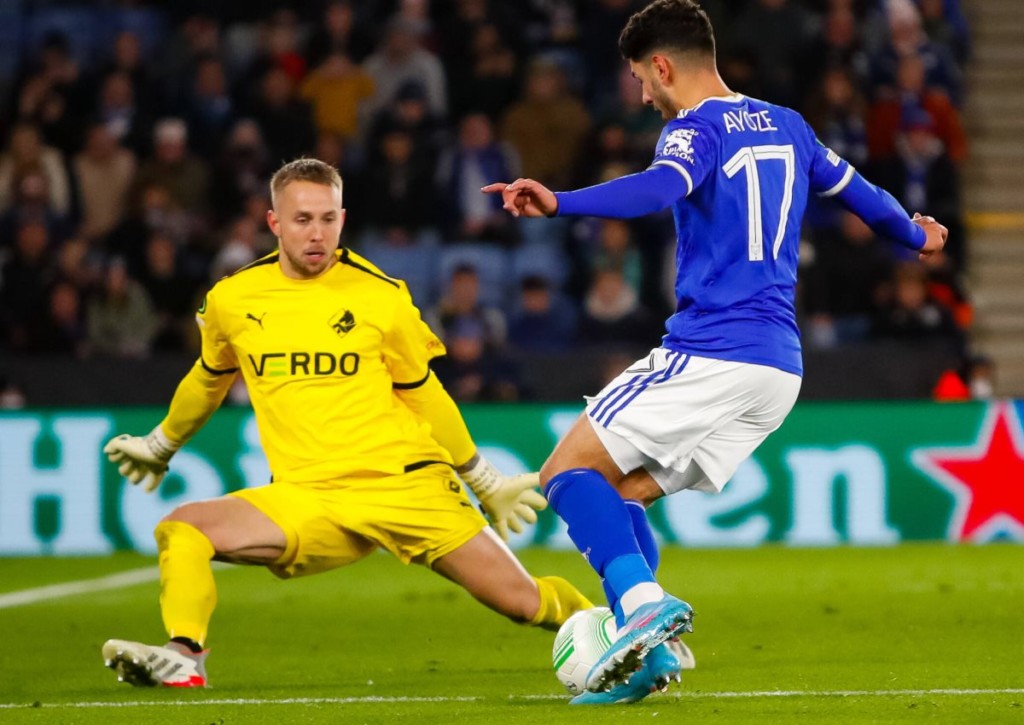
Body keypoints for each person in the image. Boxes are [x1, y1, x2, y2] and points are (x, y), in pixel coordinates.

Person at [483, 0, 948, 705]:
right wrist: (916, 236)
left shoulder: (692, 131)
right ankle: (648, 649)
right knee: (614, 491)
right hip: (778, 368)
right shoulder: (789, 125)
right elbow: (862, 194)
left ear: (663, 65)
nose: (643, 93)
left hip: (712, 350)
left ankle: (640, 607)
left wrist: (562, 202)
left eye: (643, 78)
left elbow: (657, 189)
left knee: (566, 473)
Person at [101, 158, 591, 688]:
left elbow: (425, 394)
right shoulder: (234, 299)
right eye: (303, 219)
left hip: (407, 484)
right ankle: (185, 653)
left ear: (343, 218)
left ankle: (627, 630)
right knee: (184, 526)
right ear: (274, 223)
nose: (317, 234)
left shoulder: (381, 295)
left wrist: (482, 478)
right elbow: (209, 378)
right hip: (310, 497)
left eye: (328, 219)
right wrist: (161, 442)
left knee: (522, 603)